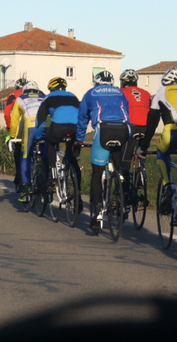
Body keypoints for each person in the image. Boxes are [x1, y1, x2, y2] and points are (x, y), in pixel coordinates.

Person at [75, 70, 131, 233]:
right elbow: (127, 112)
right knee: (119, 164)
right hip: (123, 129)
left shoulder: (90, 93)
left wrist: (79, 140)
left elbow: (82, 118)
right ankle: (120, 190)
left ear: (96, 82)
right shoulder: (120, 92)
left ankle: (98, 212)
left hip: (104, 129)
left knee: (97, 172)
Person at [140, 68, 177, 213]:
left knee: (162, 153)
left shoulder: (161, 92)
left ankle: (168, 185)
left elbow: (152, 123)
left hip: (172, 131)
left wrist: (144, 145)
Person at [34, 77, 81, 192]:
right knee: (71, 158)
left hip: (58, 127)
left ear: (51, 88)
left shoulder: (48, 98)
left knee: (50, 142)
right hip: (75, 128)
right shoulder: (74, 97)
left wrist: (37, 137)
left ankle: (52, 174)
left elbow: (41, 121)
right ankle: (77, 191)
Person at [9, 80, 45, 202]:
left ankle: (25, 188)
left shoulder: (20, 98)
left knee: (26, 155)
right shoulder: (44, 97)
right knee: (45, 155)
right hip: (45, 125)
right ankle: (47, 185)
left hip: (30, 125)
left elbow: (15, 120)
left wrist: (13, 136)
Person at [118, 69, 151, 190]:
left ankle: (125, 189)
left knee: (125, 159)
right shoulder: (146, 93)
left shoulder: (120, 92)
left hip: (130, 126)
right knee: (141, 152)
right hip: (145, 127)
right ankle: (142, 174)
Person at [4, 78, 27, 189]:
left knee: (18, 150)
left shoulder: (13, 95)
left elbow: (7, 113)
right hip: (38, 125)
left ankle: (19, 177)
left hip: (20, 126)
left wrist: (9, 129)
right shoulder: (39, 94)